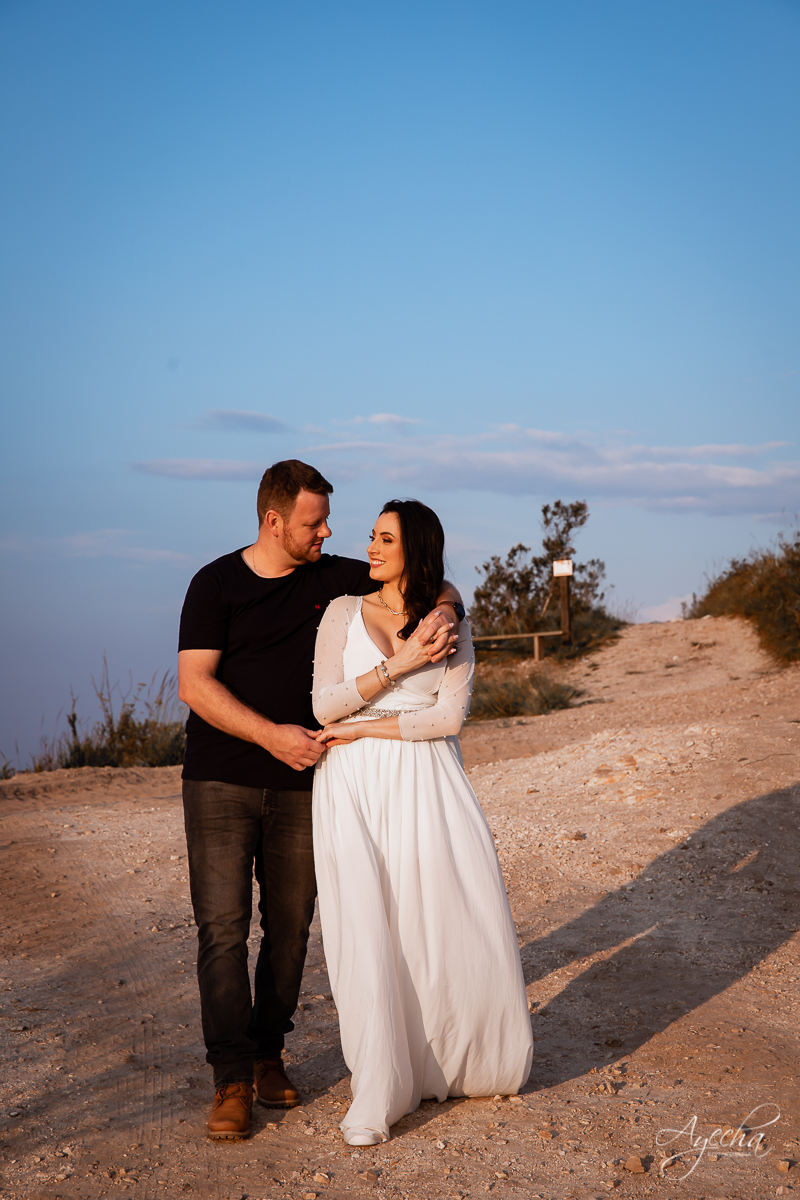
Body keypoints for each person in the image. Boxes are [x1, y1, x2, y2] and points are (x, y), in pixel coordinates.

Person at [177, 460, 463, 1140]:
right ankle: (230, 1078)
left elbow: (426, 575)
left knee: (291, 927)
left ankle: (270, 1053)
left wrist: (449, 607)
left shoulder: (330, 578)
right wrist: (271, 736)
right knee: (222, 930)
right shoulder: (215, 584)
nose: (328, 533)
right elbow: (195, 684)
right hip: (221, 778)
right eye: (314, 523)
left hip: (307, 783)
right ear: (274, 522)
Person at [311, 499, 533, 1146]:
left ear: (418, 550)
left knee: (438, 922)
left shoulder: (451, 621)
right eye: (372, 536)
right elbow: (325, 705)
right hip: (351, 786)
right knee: (367, 929)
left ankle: (459, 1062)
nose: (371, 548)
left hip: (430, 781)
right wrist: (400, 666)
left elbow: (447, 721)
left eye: (386, 539)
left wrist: (367, 726)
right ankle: (380, 1088)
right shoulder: (342, 612)